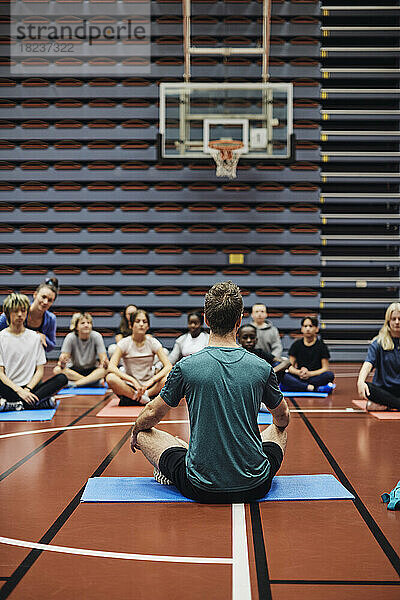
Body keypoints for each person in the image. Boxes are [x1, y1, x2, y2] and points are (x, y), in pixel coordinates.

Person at [130, 281, 290, 504]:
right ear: (240, 320)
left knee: (144, 433)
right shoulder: (262, 367)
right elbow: (283, 418)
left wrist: (135, 429)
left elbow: (150, 414)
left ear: (206, 319)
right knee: (278, 429)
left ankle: (183, 456)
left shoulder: (186, 366)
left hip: (201, 487)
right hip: (256, 485)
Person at [0, 293, 67, 412]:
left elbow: (40, 371)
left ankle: (15, 405)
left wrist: (27, 390)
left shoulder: (35, 337)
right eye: (16, 311)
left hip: (30, 388)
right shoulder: (1, 337)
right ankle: (37, 403)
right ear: (8, 313)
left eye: (23, 310)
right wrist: (19, 390)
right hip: (9, 388)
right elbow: (1, 373)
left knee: (62, 378)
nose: (20, 315)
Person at [106, 309, 172, 406]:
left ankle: (144, 395)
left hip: (149, 386)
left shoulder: (153, 342)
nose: (141, 324)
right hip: (131, 386)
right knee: (110, 378)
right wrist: (132, 380)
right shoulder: (124, 343)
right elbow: (111, 367)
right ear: (131, 325)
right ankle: (138, 396)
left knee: (168, 377)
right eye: (137, 321)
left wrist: (151, 381)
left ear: (148, 326)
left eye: (144, 322)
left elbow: (168, 366)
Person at [357, 302, 400, 411]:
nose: (397, 322)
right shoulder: (378, 342)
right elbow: (368, 363)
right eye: (393, 319)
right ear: (388, 321)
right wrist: (360, 381)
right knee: (368, 388)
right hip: (383, 390)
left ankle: (389, 405)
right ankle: (395, 404)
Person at [0, 277, 59, 352]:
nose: (45, 302)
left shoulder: (51, 319)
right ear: (35, 295)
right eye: (43, 297)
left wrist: (42, 337)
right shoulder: (18, 310)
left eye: (50, 300)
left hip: (31, 358)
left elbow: (50, 347)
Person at [280, 316, 335, 393]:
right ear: (302, 329)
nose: (308, 329)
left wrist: (310, 374)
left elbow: (325, 368)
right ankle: (312, 388)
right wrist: (299, 372)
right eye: (305, 326)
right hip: (300, 376)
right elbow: (290, 366)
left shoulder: (322, 346)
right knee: (283, 375)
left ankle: (299, 386)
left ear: (316, 329)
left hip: (314, 376)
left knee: (329, 375)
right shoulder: (296, 345)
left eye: (311, 326)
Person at [53, 312, 108, 388]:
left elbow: (103, 359)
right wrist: (62, 362)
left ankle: (75, 384)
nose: (86, 325)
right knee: (57, 370)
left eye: (88, 323)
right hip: (75, 370)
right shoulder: (70, 337)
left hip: (91, 370)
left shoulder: (96, 336)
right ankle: (90, 382)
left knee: (105, 370)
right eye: (82, 323)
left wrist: (104, 363)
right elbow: (62, 364)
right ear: (76, 327)